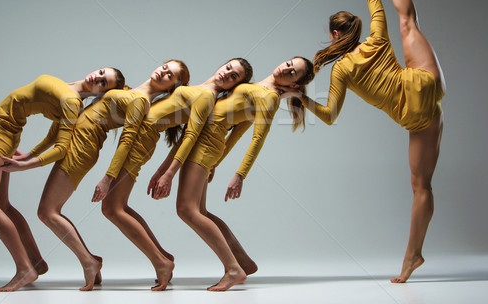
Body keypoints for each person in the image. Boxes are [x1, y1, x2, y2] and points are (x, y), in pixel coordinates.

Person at [295, 0, 445, 283]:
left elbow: (329, 116)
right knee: (408, 22)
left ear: (334, 34)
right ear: (355, 30)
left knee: (421, 186)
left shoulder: (341, 71)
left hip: (414, 116)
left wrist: (302, 99)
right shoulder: (376, 36)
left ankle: (412, 257)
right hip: (425, 82)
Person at [151, 57, 314, 291]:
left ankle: (232, 268)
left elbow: (257, 138)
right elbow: (237, 130)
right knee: (200, 211)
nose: (285, 68)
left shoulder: (268, 97)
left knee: (186, 210)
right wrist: (218, 161)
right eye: (289, 64)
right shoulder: (258, 89)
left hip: (204, 144)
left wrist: (240, 175)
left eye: (292, 73)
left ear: (294, 84)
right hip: (207, 144)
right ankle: (243, 262)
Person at [90, 58, 252, 291]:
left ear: (234, 86)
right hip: (139, 138)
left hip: (140, 141)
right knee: (118, 207)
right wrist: (161, 169)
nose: (227, 74)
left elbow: (191, 136)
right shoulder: (196, 90)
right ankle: (162, 257)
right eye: (228, 68)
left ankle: (166, 262)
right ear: (221, 65)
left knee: (112, 209)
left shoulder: (206, 97)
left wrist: (169, 174)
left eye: (234, 76)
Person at [37, 60, 189, 291]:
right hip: (98, 144)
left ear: (171, 87)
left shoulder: (141, 100)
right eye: (166, 66)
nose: (164, 71)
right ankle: (161, 257)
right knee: (114, 208)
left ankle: (155, 261)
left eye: (170, 75)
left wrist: (108, 178)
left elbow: (128, 139)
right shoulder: (129, 92)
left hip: (109, 147)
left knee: (101, 209)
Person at [0, 68, 124, 292]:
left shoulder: (72, 102)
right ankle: (35, 262)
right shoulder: (74, 91)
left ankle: (25, 268)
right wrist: (29, 153)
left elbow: (61, 146)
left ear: (102, 93)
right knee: (2, 206)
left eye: (103, 83)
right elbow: (54, 132)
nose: (97, 77)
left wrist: (26, 165)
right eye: (101, 72)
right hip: (4, 129)